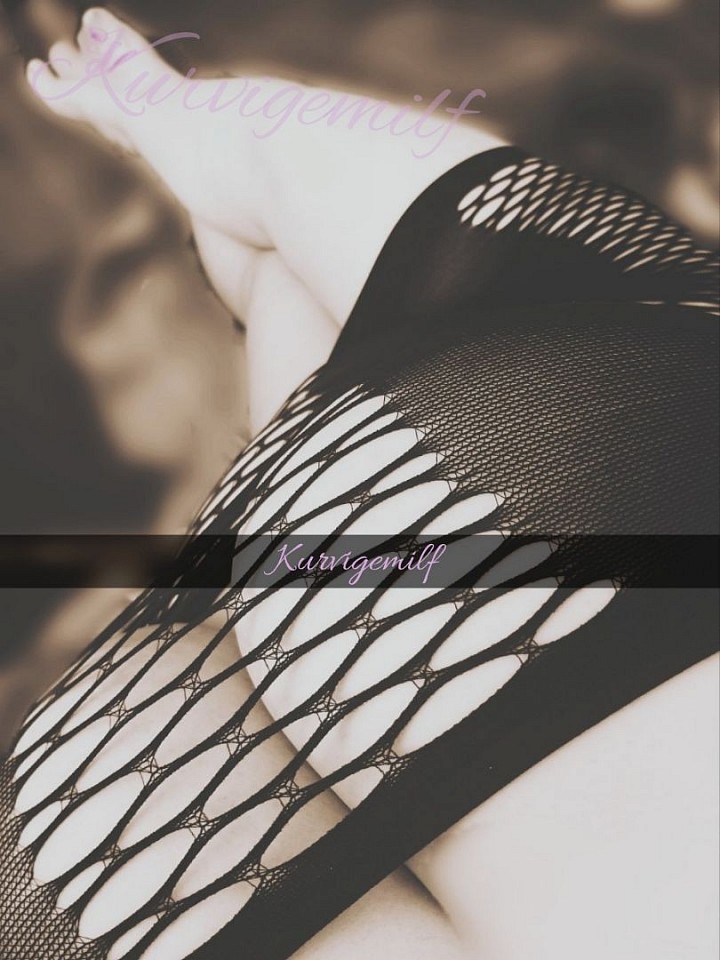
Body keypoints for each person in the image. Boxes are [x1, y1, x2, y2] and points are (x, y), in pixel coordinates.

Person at [1, 8, 718, 959]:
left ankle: (224, 173)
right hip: (145, 775)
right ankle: (236, 205)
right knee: (401, 310)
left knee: (500, 284)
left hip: (438, 540)